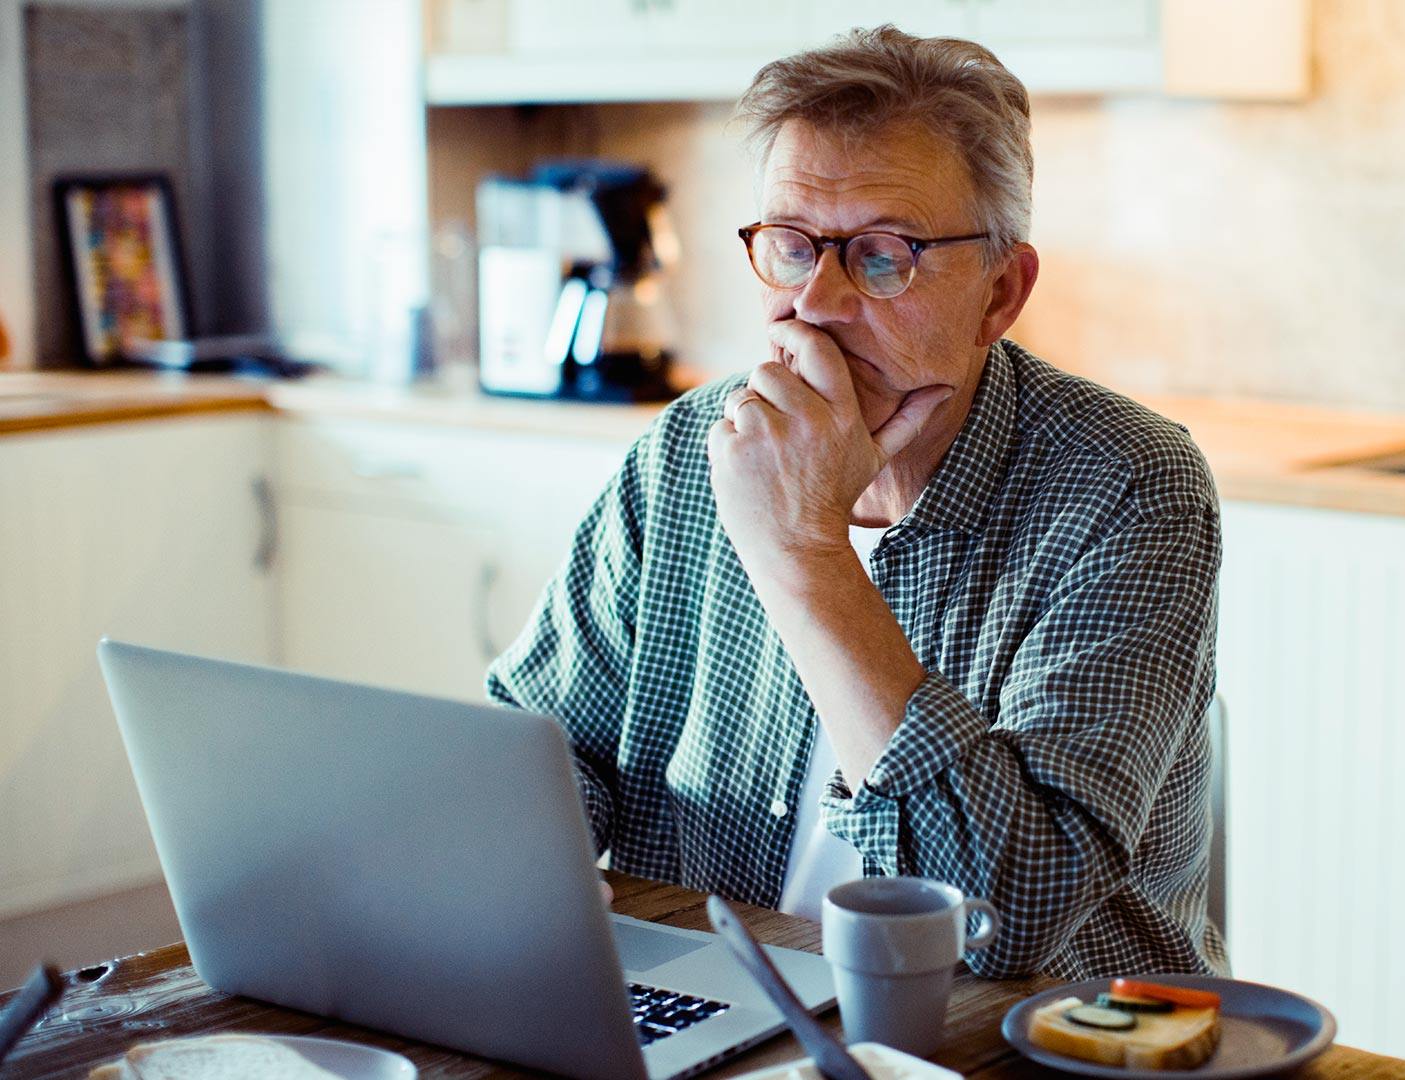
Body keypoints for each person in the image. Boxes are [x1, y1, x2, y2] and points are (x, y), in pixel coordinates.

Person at [488, 25, 1224, 980]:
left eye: (883, 256)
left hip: (1019, 1044)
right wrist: (516, 857)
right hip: (732, 1010)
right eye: (793, 247)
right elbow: (543, 750)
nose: (818, 303)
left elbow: (1003, 917)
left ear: (1000, 293)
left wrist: (803, 552)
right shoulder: (684, 452)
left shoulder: (1127, 485)